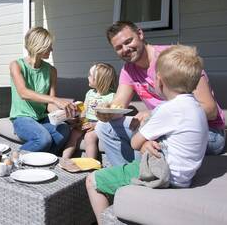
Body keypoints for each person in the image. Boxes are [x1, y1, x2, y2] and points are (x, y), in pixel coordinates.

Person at [87, 45, 209, 224]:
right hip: (184, 176)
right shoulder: (196, 107)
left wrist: (141, 131)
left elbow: (136, 143)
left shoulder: (167, 109)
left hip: (163, 175)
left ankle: (107, 220)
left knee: (93, 180)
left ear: (159, 81)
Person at [96, 21, 225, 166]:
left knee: (148, 139)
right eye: (118, 47)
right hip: (160, 126)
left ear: (140, 34)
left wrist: (154, 114)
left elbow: (210, 110)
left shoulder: (173, 59)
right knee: (103, 127)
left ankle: (142, 172)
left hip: (207, 131)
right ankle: (126, 178)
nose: (125, 49)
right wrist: (106, 112)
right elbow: (118, 105)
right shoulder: (128, 70)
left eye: (128, 41)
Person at [9, 27, 74, 154]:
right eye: (49, 46)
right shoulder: (16, 65)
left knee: (64, 130)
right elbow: (23, 93)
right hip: (22, 118)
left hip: (42, 118)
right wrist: (56, 100)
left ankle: (42, 160)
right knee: (43, 139)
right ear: (38, 46)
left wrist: (66, 116)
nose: (52, 49)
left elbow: (50, 106)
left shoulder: (51, 70)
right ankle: (15, 158)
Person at [62, 63, 117, 159]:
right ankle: (64, 159)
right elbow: (85, 109)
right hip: (86, 121)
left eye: (90, 75)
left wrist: (96, 125)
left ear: (99, 80)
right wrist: (80, 120)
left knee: (89, 137)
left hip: (100, 124)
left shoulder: (112, 96)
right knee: (73, 134)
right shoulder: (90, 93)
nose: (88, 77)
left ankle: (90, 164)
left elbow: (111, 117)